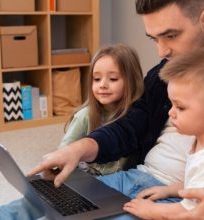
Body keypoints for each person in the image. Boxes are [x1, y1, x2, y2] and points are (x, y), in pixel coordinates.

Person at [29, 0, 204, 219]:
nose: (161, 51)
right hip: (141, 179)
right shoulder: (162, 72)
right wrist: (78, 148)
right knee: (33, 204)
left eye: (170, 36)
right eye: (154, 39)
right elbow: (130, 126)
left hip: (184, 200)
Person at [123, 46, 204, 219]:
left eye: (180, 107)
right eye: (171, 104)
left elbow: (193, 212)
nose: (171, 113)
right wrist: (169, 190)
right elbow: (196, 184)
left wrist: (151, 211)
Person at [59, 43, 144, 176]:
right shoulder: (84, 116)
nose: (102, 85)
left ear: (132, 81)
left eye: (113, 79)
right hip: (90, 179)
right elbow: (63, 153)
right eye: (97, 79)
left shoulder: (138, 116)